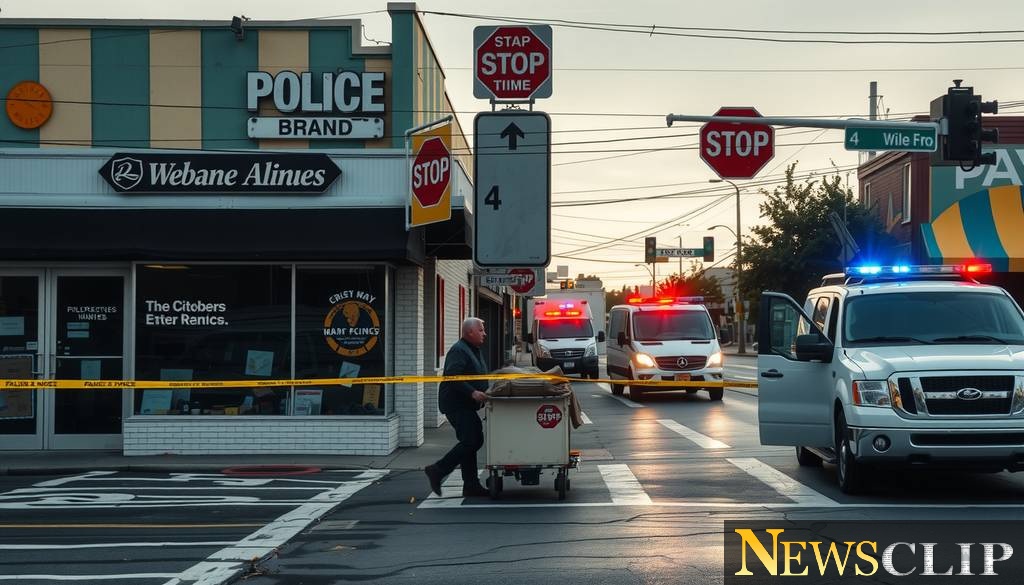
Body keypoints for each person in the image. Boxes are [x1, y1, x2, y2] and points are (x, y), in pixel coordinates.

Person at [424, 317, 490, 497]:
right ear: (470, 332)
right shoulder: (459, 350)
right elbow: (452, 376)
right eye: (481, 330)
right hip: (456, 404)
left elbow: (474, 374)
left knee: (474, 440)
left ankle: (470, 485)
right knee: (471, 440)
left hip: (466, 405)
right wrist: (472, 393)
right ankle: (437, 470)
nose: (485, 333)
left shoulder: (472, 349)